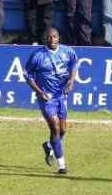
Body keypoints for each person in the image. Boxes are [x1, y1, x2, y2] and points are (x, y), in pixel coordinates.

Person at [24, 27, 78, 174]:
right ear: (45, 39)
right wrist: (39, 92)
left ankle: (49, 145)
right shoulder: (37, 56)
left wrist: (71, 81)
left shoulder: (68, 52)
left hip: (61, 95)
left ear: (58, 38)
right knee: (54, 128)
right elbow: (28, 75)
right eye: (49, 37)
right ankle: (62, 166)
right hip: (46, 98)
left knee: (62, 130)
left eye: (54, 37)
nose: (52, 40)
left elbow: (73, 65)